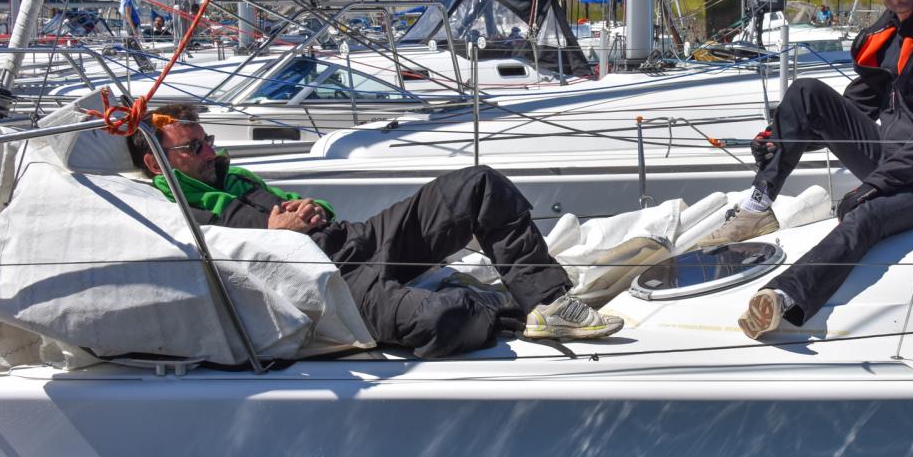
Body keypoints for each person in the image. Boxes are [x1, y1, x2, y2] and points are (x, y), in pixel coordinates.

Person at [126, 104, 624, 358]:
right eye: (194, 148)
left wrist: (310, 208)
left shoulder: (231, 175)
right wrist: (278, 233)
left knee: (477, 184)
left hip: (356, 238)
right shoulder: (173, 209)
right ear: (156, 163)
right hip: (333, 283)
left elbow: (299, 205)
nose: (210, 152)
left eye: (208, 140)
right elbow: (229, 262)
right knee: (442, 320)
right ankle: (499, 306)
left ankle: (548, 302)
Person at [696, 0, 913, 338]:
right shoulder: (891, 37)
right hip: (893, 160)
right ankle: (758, 205)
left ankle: (784, 295)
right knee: (806, 92)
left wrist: (876, 185)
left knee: (866, 215)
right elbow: (849, 108)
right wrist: (781, 137)